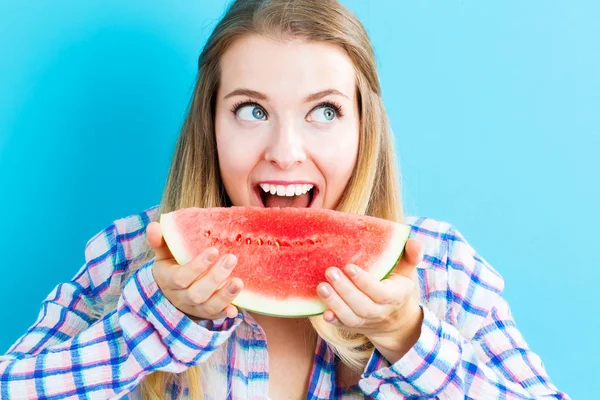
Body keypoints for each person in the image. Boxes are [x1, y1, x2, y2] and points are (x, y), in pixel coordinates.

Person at [0, 0, 569, 399]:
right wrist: (153, 325)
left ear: (363, 128)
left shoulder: (442, 269)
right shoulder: (132, 257)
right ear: (211, 125)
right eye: (252, 110)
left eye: (324, 111)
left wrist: (407, 338)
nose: (286, 152)